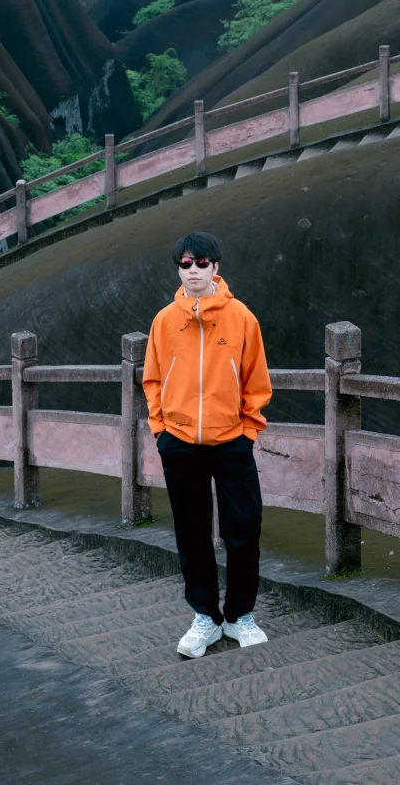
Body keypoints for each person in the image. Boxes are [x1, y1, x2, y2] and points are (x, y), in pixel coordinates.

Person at [142, 231, 272, 658]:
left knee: (243, 531)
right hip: (179, 443)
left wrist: (248, 430)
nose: (193, 270)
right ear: (178, 269)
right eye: (185, 264)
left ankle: (239, 617)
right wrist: (160, 429)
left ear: (216, 267)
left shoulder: (242, 318)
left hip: (231, 441)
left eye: (201, 263)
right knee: (192, 535)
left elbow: (256, 381)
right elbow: (153, 378)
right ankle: (205, 618)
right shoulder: (164, 320)